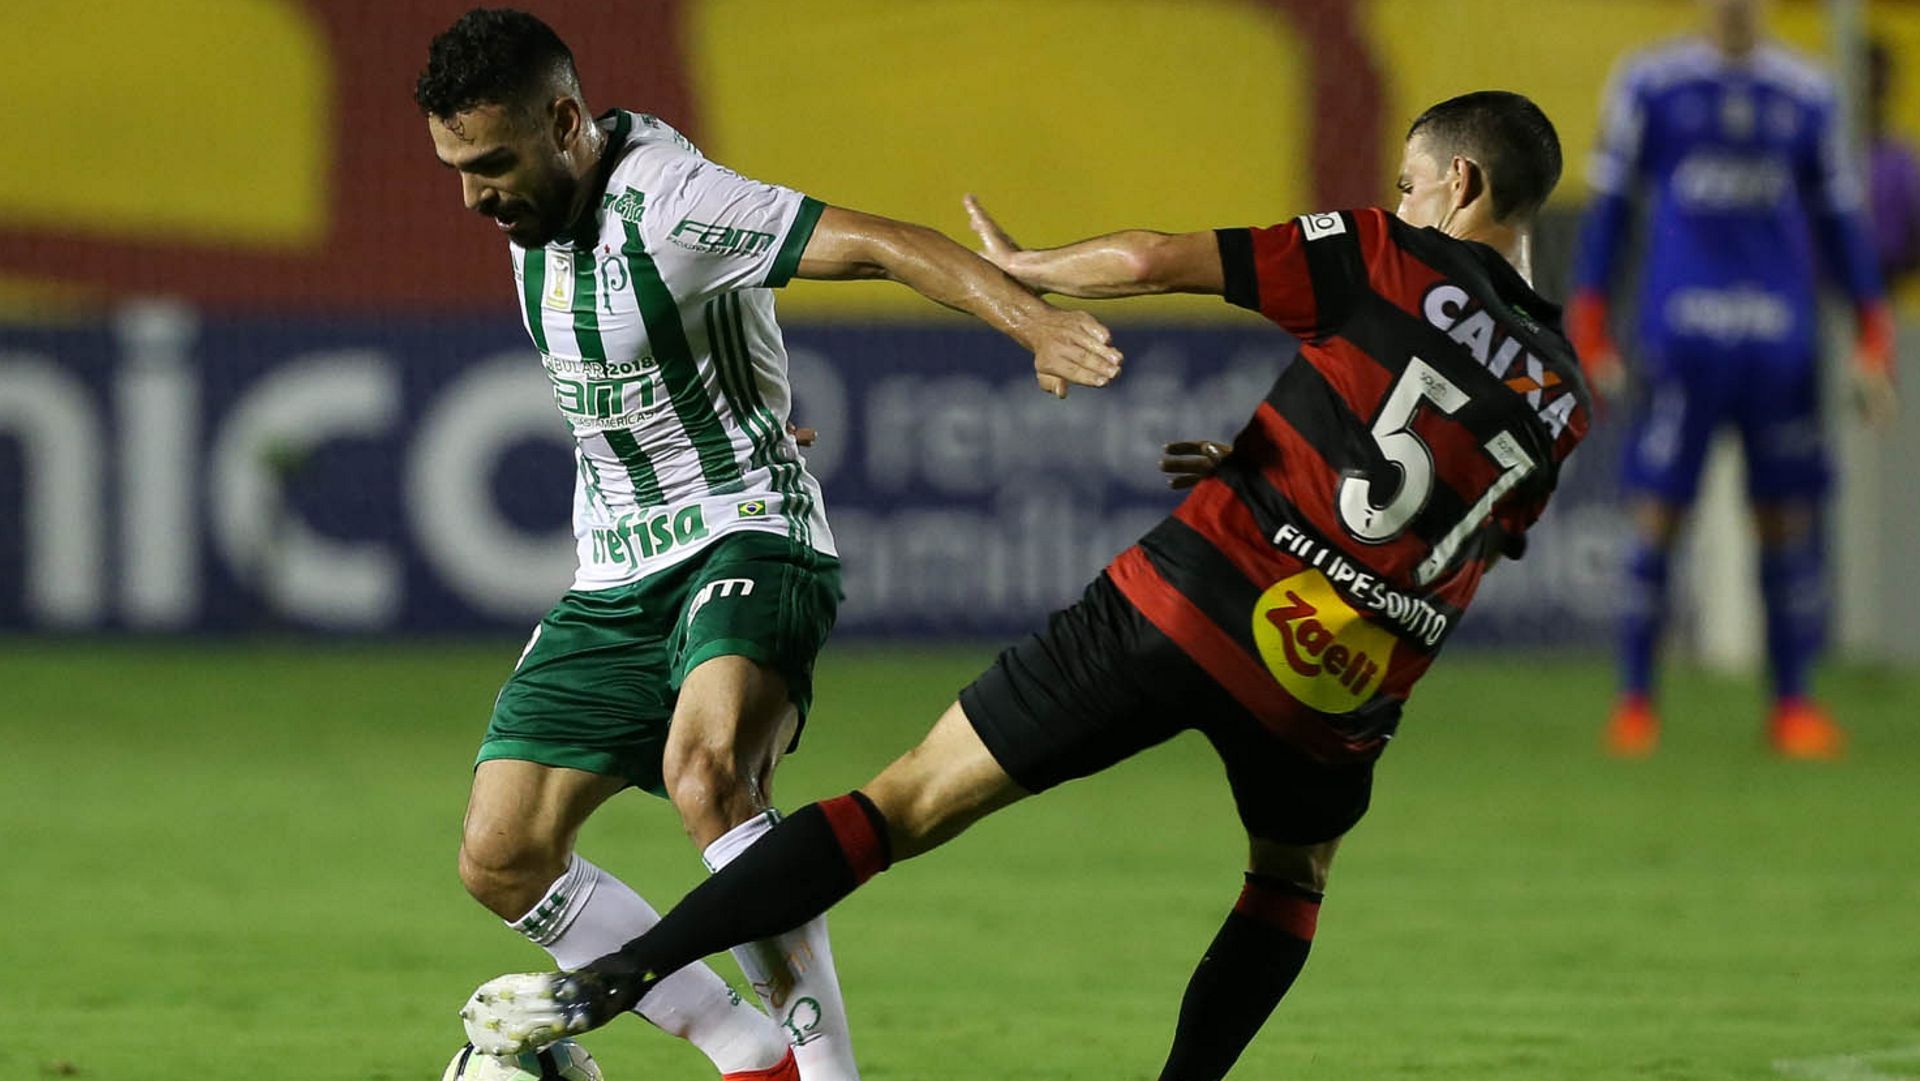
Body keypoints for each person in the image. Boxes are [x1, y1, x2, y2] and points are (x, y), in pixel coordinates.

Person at [457, 90, 1590, 1080]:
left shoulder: (1394, 253)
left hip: (1189, 603)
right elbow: (1449, 521)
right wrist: (1279, 473)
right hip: (1340, 681)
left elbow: (1155, 259)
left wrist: (1028, 276)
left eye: (1408, 180)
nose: (1399, 195)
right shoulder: (1564, 392)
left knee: (901, 803)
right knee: (1290, 879)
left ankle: (621, 976)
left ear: (1461, 180)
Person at [414, 9, 1121, 1081]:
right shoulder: (537, 222)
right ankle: (752, 1056)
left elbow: (883, 243)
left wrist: (1033, 323)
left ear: (564, 121)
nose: (475, 196)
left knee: (708, 774)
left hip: (748, 533)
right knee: (502, 857)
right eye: (457, 169)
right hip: (614, 575)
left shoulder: (675, 201)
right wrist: (750, 397)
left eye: (494, 163)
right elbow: (650, 371)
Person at [1568, 0, 1898, 760]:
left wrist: (1872, 332)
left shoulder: (1808, 91)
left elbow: (1842, 224)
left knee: (1784, 519)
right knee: (1658, 513)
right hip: (1682, 337)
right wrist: (1588, 320)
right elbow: (1611, 210)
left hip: (1780, 340)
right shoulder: (1650, 82)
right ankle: (1636, 702)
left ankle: (1792, 706)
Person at [1868, 38, 1920, 288]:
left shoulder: (1901, 159)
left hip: (1888, 278)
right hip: (1828, 285)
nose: (1875, 94)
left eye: (1880, 85)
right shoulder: (1822, 153)